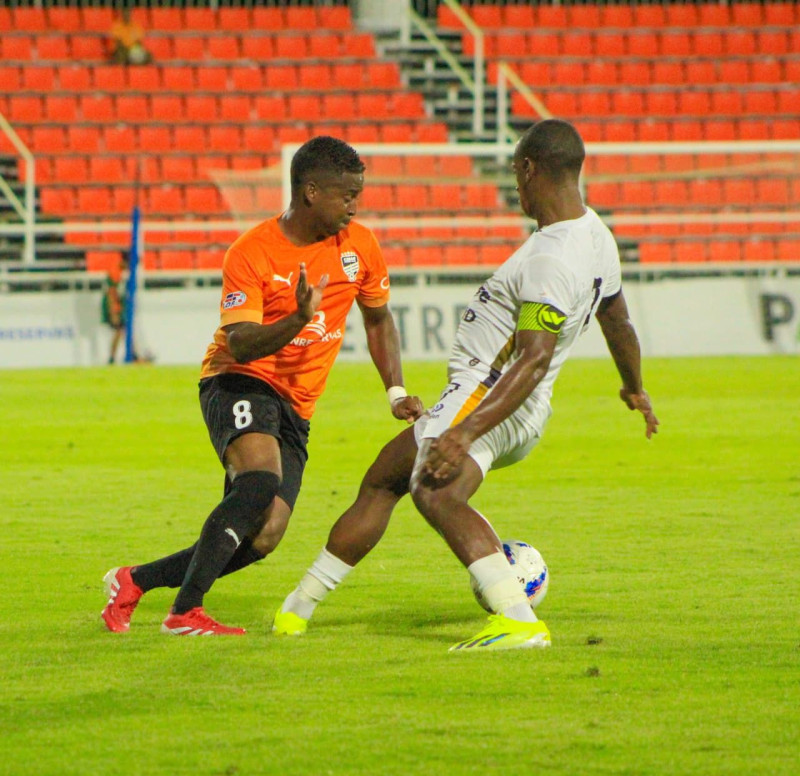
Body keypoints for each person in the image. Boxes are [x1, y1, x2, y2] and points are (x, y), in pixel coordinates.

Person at [273, 119, 659, 651]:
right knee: (384, 478)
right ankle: (296, 609)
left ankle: (517, 620)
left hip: (492, 394)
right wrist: (633, 387)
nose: (516, 188)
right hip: (501, 401)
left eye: (515, 175)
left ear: (528, 169)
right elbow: (618, 321)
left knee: (435, 490)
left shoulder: (551, 257)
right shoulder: (596, 236)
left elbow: (532, 359)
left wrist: (464, 431)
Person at [101, 136, 424, 636]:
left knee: (266, 534)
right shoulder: (251, 252)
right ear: (311, 191)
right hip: (236, 379)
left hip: (297, 406)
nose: (354, 207)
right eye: (347, 196)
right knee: (259, 480)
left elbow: (378, 321)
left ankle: (133, 581)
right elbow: (244, 344)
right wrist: (298, 318)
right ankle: (184, 612)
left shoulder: (359, 246)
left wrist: (396, 392)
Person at [100, 252, 128, 364]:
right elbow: (111, 293)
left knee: (123, 331)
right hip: (114, 309)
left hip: (117, 307)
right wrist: (113, 312)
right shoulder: (115, 272)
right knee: (120, 331)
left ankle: (131, 354)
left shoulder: (119, 272)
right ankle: (112, 358)